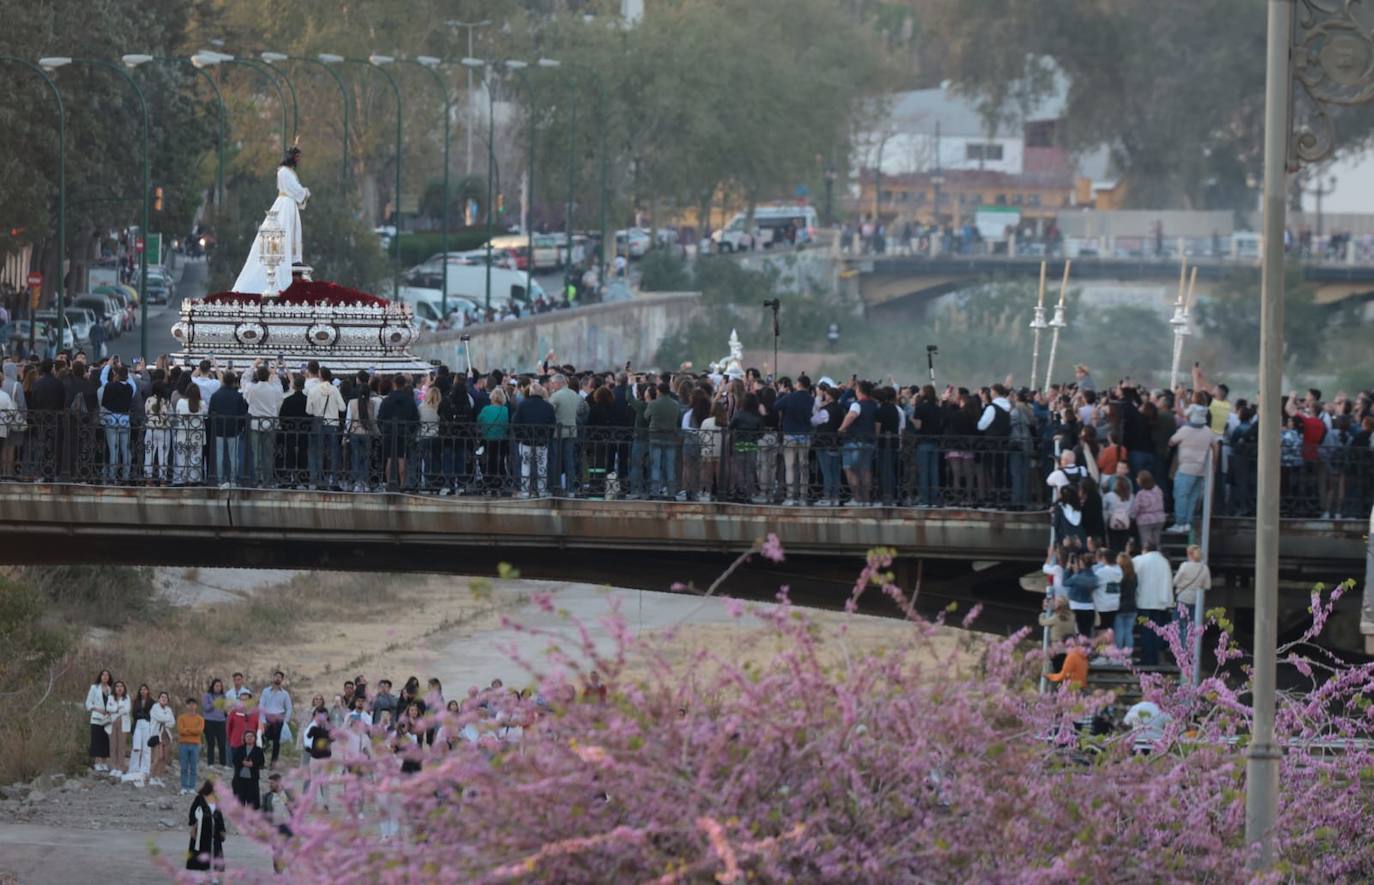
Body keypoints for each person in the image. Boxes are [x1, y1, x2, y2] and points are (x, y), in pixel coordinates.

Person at [233, 142, 310, 294]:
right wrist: (305, 193)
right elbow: (294, 189)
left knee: (292, 234)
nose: (298, 160)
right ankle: (275, 272)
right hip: (285, 204)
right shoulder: (283, 172)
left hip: (290, 205)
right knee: (281, 234)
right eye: (297, 157)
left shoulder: (289, 171)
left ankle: (294, 260)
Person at [1168, 403, 1218, 534]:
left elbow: (1171, 441)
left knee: (1181, 495)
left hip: (1185, 468)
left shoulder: (1185, 430)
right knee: (1192, 497)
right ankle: (1188, 523)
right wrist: (1214, 464)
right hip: (1201, 470)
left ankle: (1180, 523)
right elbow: (1215, 445)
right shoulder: (1208, 431)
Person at [1133, 542, 1174, 667]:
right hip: (1160, 602)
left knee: (1145, 631)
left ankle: (1147, 658)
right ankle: (1156, 657)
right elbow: (1168, 582)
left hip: (1143, 601)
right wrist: (1169, 600)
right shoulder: (1164, 561)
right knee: (1157, 631)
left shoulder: (1138, 560)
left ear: (1144, 549)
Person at [186, 780, 225, 875]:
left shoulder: (216, 799)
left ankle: (214, 875)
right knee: (201, 851)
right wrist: (193, 824)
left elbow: (219, 815)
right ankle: (200, 874)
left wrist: (222, 829)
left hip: (214, 829)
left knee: (215, 852)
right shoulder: (199, 798)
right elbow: (193, 812)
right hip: (201, 830)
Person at [1172, 544, 1212, 636]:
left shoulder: (1184, 566)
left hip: (1183, 598)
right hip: (1197, 600)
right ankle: (1192, 649)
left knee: (1181, 626)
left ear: (1189, 554)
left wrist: (1181, 585)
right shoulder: (1204, 568)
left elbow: (1174, 581)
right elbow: (1207, 586)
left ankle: (1182, 648)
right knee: (1193, 627)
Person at [258, 670, 293, 769]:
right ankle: (261, 763)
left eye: (279, 677)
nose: (277, 678)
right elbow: (261, 706)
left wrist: (286, 721)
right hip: (267, 718)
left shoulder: (285, 694)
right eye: (276, 676)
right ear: (273, 678)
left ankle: (273, 764)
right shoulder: (265, 691)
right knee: (261, 739)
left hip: (278, 719)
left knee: (276, 743)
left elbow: (289, 708)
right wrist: (263, 720)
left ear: (282, 679)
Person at [263, 771, 295, 873]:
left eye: (272, 783)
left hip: (288, 827)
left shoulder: (288, 794)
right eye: (270, 783)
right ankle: (278, 873)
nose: (270, 785)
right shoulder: (267, 796)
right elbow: (263, 811)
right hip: (275, 827)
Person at [85, 669, 113, 772]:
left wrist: (111, 711)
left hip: (107, 719)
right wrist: (98, 709)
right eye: (103, 675)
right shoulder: (94, 688)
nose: (105, 677)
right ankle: (97, 763)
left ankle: (104, 763)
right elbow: (88, 704)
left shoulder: (110, 690)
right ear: (100, 676)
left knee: (105, 741)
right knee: (96, 740)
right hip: (96, 718)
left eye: (107, 675)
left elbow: (112, 704)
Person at [176, 698, 205, 796]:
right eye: (189, 704)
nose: (192, 706)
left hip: (195, 745)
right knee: (184, 767)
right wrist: (192, 731)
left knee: (193, 767)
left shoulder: (200, 719)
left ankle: (192, 787)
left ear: (196, 706)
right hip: (183, 744)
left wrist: (187, 730)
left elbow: (199, 731)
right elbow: (180, 730)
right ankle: (184, 787)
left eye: (193, 704)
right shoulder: (181, 718)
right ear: (187, 706)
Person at [149, 691, 177, 787]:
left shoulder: (169, 709)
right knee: (158, 757)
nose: (164, 698)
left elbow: (172, 722)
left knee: (164, 758)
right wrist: (167, 719)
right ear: (158, 699)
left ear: (168, 700)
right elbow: (161, 718)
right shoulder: (155, 707)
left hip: (167, 735)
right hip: (157, 735)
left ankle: (158, 777)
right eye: (162, 697)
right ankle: (152, 777)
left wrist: (167, 719)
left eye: (165, 697)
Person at [1131, 470, 1166, 549]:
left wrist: (1132, 516)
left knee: (1146, 543)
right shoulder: (1158, 490)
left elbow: (1136, 508)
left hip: (1145, 521)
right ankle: (1158, 556)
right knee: (1156, 542)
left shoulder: (1141, 494)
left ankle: (1147, 558)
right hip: (1159, 519)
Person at [233, 729, 266, 809]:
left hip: (252, 779)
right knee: (239, 799)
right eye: (247, 736)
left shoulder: (258, 750)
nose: (250, 738)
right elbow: (234, 760)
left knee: (252, 800)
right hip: (240, 778)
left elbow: (262, 762)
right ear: (244, 738)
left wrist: (253, 764)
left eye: (252, 736)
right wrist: (242, 762)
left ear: (255, 738)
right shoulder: (239, 748)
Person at [201, 678, 229, 769]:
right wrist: (215, 703)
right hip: (209, 721)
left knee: (222, 743)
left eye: (220, 686)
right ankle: (210, 763)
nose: (218, 688)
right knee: (211, 743)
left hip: (221, 721)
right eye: (217, 686)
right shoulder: (206, 695)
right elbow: (206, 708)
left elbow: (225, 709)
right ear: (212, 686)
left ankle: (223, 764)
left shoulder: (224, 696)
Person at [105, 680, 131, 777]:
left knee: (121, 746)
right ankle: (114, 767)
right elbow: (108, 708)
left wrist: (115, 709)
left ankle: (120, 767)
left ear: (123, 688)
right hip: (112, 723)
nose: (119, 688)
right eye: (117, 686)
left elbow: (127, 710)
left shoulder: (126, 698)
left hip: (123, 724)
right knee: (113, 746)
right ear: (114, 688)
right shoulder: (111, 697)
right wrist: (118, 708)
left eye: (121, 686)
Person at [1114, 552, 1139, 653]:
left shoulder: (1118, 575)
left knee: (1119, 632)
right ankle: (1128, 653)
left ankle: (1118, 654)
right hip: (1132, 606)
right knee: (1128, 632)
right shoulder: (1134, 576)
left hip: (1120, 607)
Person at [1102, 475, 1134, 554]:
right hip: (1126, 523)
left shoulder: (1109, 496)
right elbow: (1133, 510)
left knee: (1113, 543)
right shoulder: (1131, 496)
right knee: (1124, 543)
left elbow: (1103, 507)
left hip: (1113, 522)